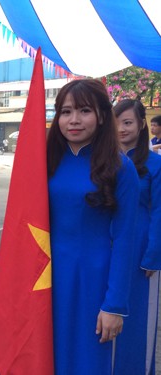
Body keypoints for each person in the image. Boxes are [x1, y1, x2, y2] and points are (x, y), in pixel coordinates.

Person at [47, 79, 139, 374]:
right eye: (65, 111)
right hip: (46, 278)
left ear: (101, 115)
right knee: (45, 356)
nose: (73, 120)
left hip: (93, 280)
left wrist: (114, 305)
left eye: (84, 110)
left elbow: (126, 240)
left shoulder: (120, 168)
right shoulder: (44, 163)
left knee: (87, 361)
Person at [113, 99, 161, 375]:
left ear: (142, 125)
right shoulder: (104, 161)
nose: (121, 129)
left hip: (142, 248)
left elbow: (159, 212)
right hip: (110, 245)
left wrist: (153, 257)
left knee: (140, 315)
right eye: (117, 122)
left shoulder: (155, 164)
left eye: (128, 122)